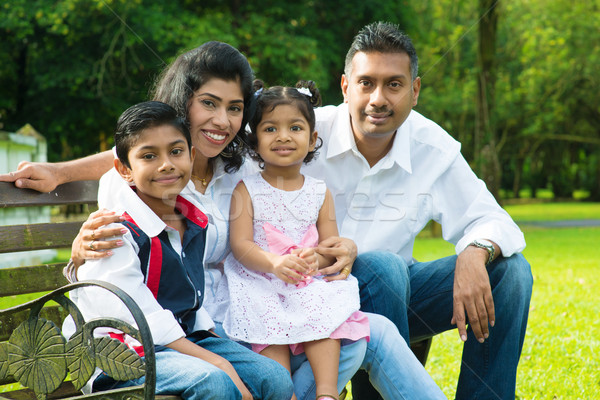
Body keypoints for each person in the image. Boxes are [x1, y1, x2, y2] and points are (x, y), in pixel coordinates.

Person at [1, 40, 447, 399]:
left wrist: (342, 244)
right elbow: (128, 160)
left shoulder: (241, 167)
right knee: (356, 338)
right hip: (199, 326)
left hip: (251, 311)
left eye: (235, 108)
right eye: (208, 104)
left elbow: (296, 169)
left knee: (374, 328)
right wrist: (63, 186)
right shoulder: (149, 180)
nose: (222, 121)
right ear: (183, 104)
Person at [297, 22, 533, 399]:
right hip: (307, 296)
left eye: (394, 84)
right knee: (382, 265)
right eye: (366, 83)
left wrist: (476, 251)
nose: (378, 98)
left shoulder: (432, 147)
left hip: (397, 298)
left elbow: (494, 220)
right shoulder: (303, 133)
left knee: (511, 272)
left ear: (415, 90)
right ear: (345, 87)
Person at [63, 100, 294, 400]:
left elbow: (190, 303)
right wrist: (219, 361)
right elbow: (141, 318)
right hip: (118, 352)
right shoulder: (114, 232)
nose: (166, 164)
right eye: (149, 156)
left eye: (175, 151)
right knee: (215, 381)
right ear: (124, 169)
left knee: (274, 379)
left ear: (191, 154)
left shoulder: (193, 221)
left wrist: (217, 348)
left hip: (177, 339)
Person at [214, 81, 369, 400]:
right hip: (261, 279)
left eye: (295, 128)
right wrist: (274, 262)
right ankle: (284, 392)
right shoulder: (247, 189)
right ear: (254, 141)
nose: (283, 136)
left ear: (312, 139)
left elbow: (331, 246)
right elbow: (241, 244)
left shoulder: (318, 191)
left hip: (305, 279)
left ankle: (327, 392)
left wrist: (318, 259)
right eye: (270, 129)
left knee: (324, 311)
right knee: (267, 319)